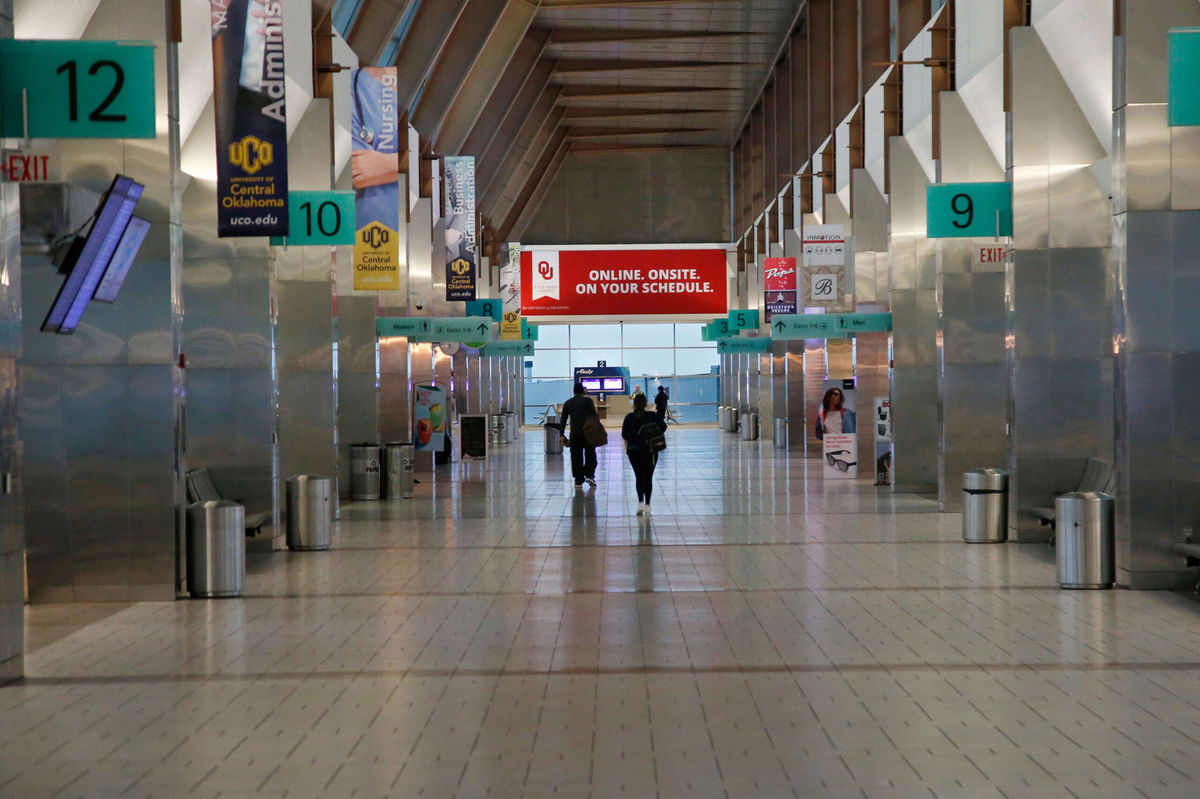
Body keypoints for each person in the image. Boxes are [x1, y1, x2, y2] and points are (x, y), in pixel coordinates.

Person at [622, 393, 666, 516]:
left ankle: (640, 502)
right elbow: (663, 427)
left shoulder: (629, 417)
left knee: (639, 476)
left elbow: (625, 435)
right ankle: (648, 505)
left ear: (634, 404)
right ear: (646, 403)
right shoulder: (652, 416)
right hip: (650, 451)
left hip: (634, 451)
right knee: (648, 477)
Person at [556, 383, 599, 489]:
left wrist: (561, 434)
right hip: (588, 433)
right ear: (582, 391)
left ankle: (578, 481)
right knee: (590, 455)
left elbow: (563, 420)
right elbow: (594, 416)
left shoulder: (568, 403)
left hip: (575, 434)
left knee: (576, 457)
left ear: (574, 391)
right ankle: (589, 475)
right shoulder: (588, 401)